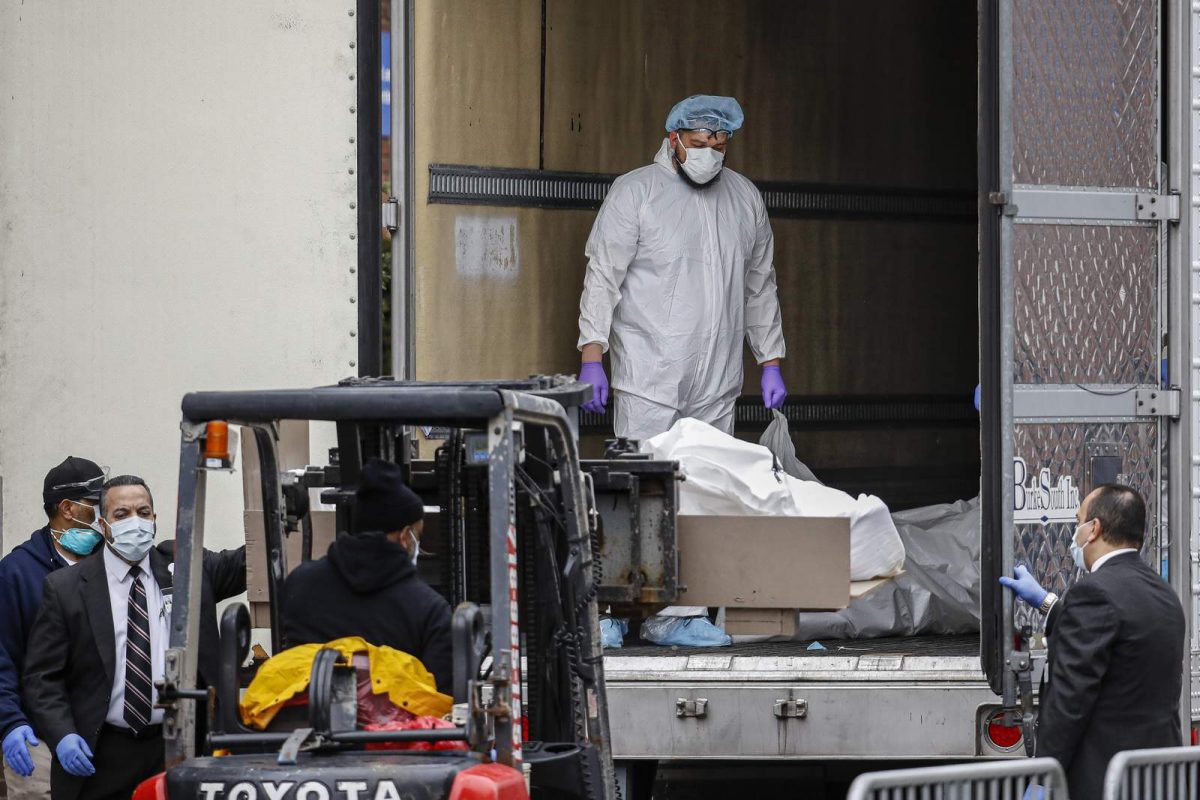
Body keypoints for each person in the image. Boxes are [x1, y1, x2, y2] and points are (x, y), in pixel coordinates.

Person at [576, 94, 787, 441]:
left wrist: (771, 363)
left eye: (719, 146)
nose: (710, 154)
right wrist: (592, 357)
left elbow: (760, 287)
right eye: (699, 144)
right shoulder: (636, 192)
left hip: (717, 386)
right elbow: (603, 278)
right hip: (648, 383)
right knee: (647, 489)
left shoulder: (745, 198)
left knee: (709, 490)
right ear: (674, 138)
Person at [22, 475, 246, 800]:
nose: (135, 522)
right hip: (100, 753)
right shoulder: (66, 588)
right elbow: (41, 677)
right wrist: (62, 735)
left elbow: (248, 560)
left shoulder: (186, 569)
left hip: (174, 746)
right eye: (122, 514)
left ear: (155, 519)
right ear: (103, 524)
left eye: (143, 512)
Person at [999, 484, 1185, 800]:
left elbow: (1070, 699)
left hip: (1103, 780)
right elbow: (1116, 636)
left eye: (1078, 521)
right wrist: (1046, 602)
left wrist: (1044, 776)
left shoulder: (1094, 593)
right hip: (1156, 777)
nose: (1076, 533)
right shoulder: (1163, 593)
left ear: (1094, 529)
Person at [280, 457, 452, 693]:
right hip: (398, 729)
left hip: (303, 725)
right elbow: (443, 703)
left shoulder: (299, 585)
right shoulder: (429, 610)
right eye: (417, 534)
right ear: (404, 536)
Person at [1, 457, 106, 800]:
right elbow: (2, 657)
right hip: (37, 738)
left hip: (99, 735)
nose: (104, 514)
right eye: (96, 505)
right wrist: (11, 724)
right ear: (68, 508)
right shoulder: (15, 574)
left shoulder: (110, 565)